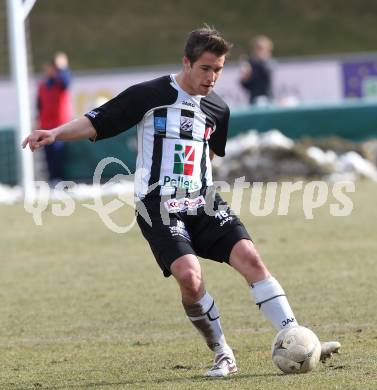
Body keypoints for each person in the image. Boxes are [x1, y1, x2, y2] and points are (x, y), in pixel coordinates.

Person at [23, 26, 340, 378]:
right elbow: (97, 121)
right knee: (190, 277)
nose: (212, 77)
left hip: (203, 201)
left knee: (251, 258)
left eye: (219, 69)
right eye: (206, 68)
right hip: (157, 205)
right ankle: (223, 353)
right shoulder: (150, 94)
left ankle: (296, 336)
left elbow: (210, 154)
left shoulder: (219, 109)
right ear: (186, 63)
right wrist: (54, 132)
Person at [36, 52, 73, 183]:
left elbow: (66, 81)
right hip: (46, 124)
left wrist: (62, 67)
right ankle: (53, 180)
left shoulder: (61, 82)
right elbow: (39, 105)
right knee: (49, 155)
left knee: (59, 153)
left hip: (60, 125)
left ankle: (60, 180)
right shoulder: (42, 85)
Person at [240, 35, 274, 105]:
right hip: (254, 99)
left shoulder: (269, 62)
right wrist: (245, 78)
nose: (259, 51)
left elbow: (267, 72)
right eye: (257, 48)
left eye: (261, 48)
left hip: (268, 98)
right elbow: (246, 85)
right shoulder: (250, 63)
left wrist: (260, 60)